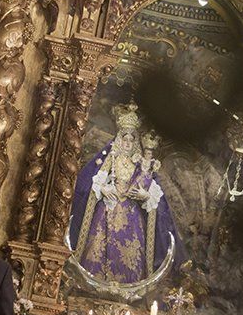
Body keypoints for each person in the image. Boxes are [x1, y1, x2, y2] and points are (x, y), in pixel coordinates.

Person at [69, 103, 178, 282]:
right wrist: (103, 188)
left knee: (131, 253)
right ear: (119, 139)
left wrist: (146, 196)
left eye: (131, 140)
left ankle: (127, 287)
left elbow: (153, 191)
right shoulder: (111, 158)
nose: (127, 144)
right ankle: (95, 283)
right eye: (125, 139)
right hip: (107, 212)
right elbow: (97, 179)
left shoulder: (141, 164)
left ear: (135, 142)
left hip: (131, 214)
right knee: (99, 247)